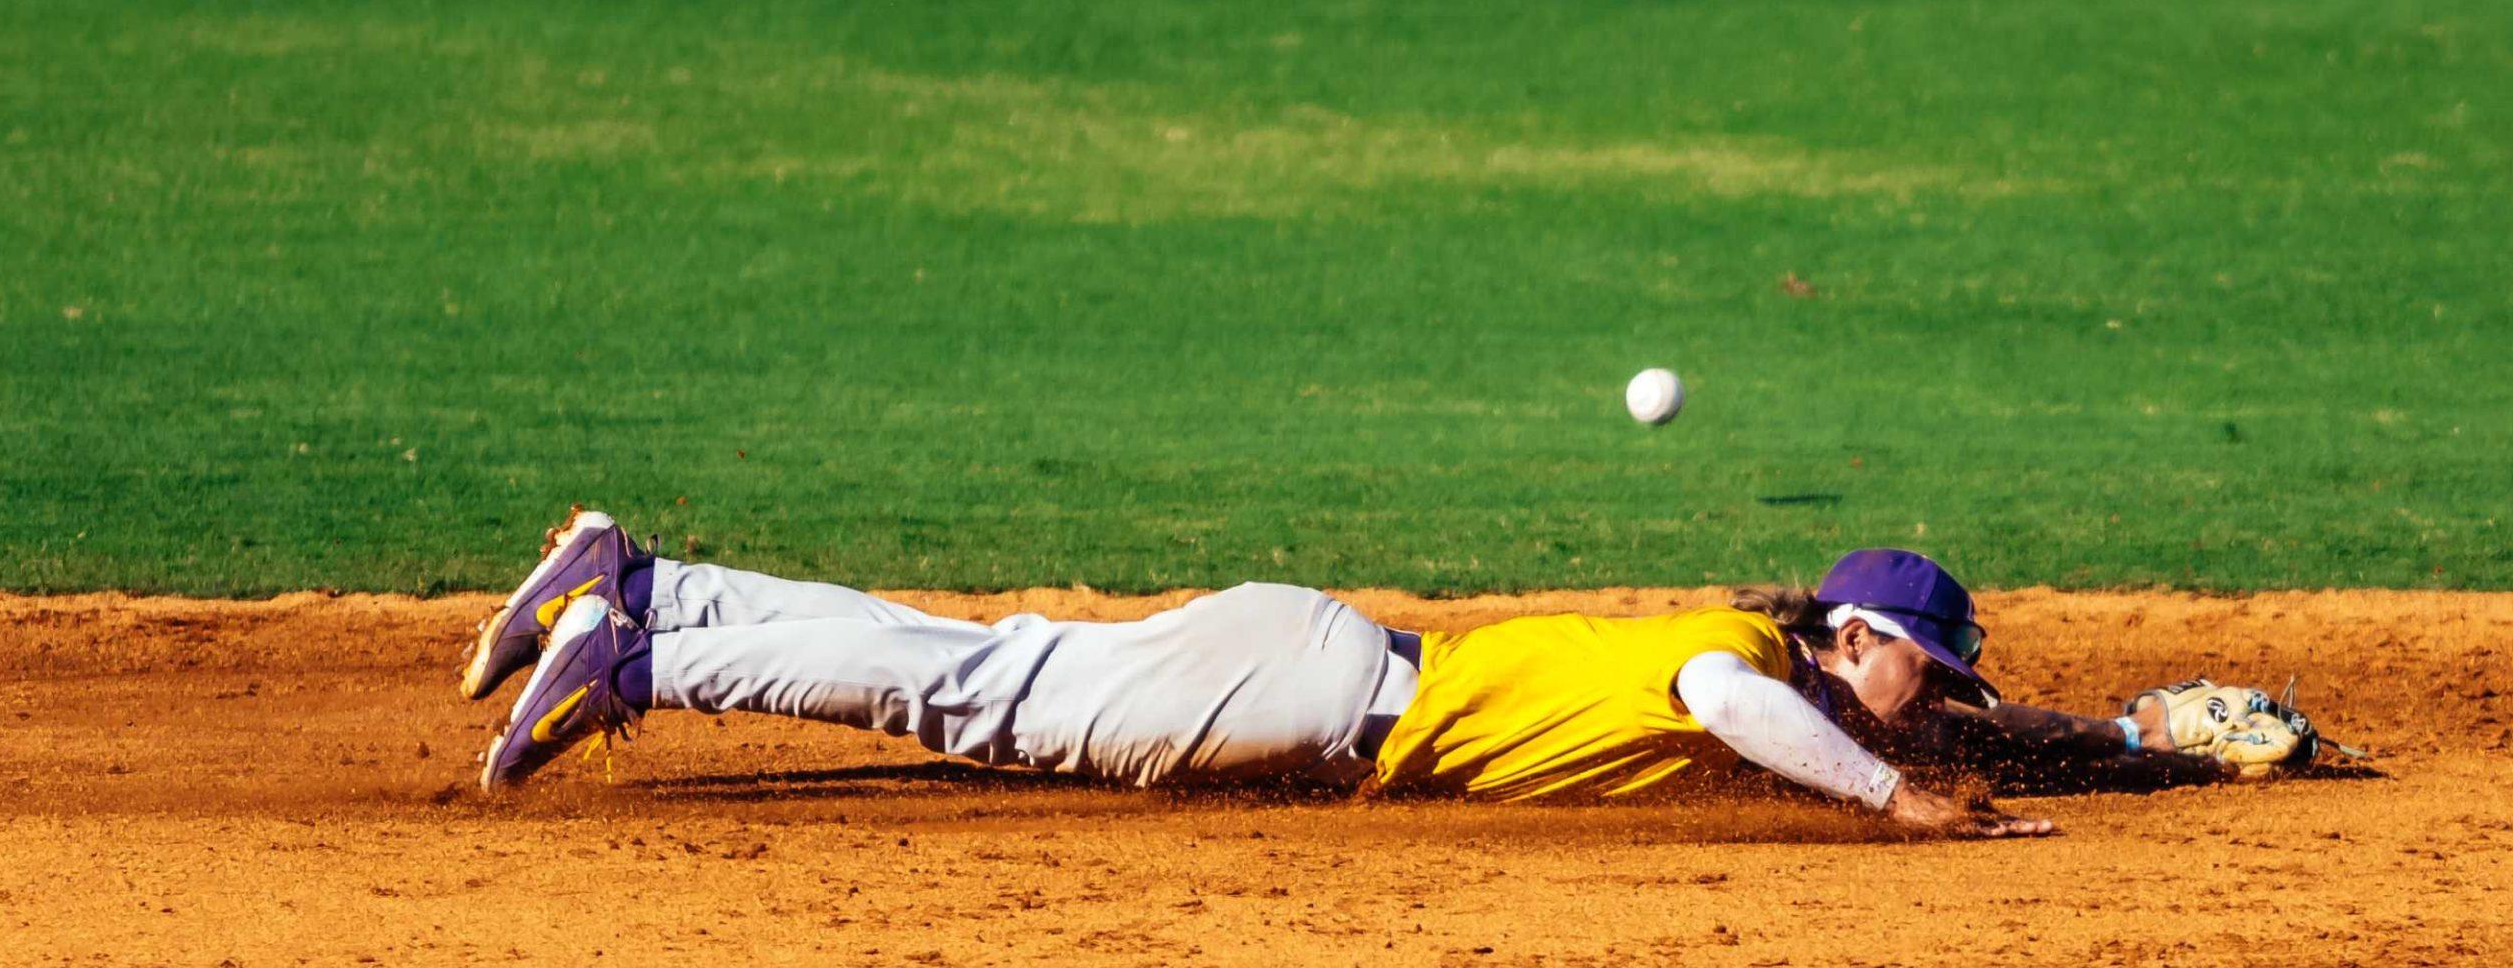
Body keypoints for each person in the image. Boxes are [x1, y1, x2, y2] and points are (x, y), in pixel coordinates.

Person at [462, 512, 2229, 835]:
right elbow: (1736, 714)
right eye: (1940, 677)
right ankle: (636, 651)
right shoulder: (1743, 665)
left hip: (1314, 653)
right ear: (1865, 645)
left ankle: (649, 583)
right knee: (978, 696)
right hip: (1312, 697)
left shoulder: (1800, 666)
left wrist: (2140, 744)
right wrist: (1890, 791)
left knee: (977, 657)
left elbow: (1866, 718)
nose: (1944, 700)